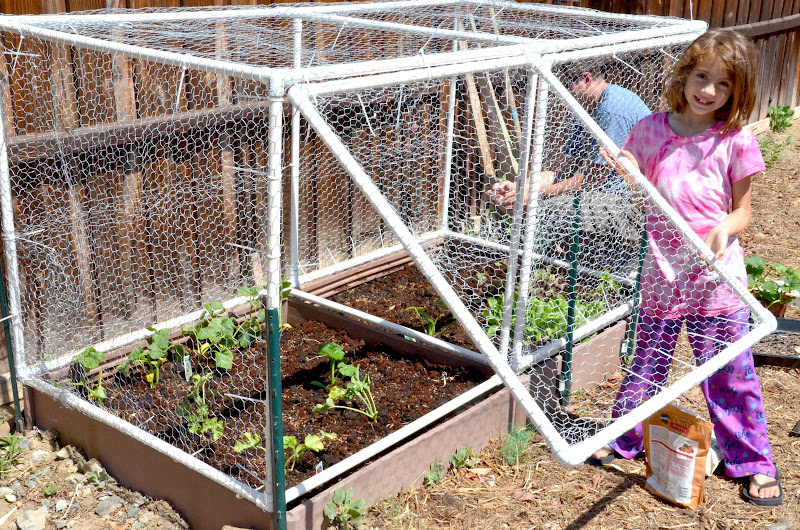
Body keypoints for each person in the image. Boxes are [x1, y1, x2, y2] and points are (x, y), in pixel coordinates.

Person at [591, 28, 783, 507]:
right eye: (702, 77)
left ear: (736, 93)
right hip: (663, 274)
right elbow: (637, 181)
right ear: (686, 74)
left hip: (716, 282)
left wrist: (724, 229)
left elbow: (744, 211)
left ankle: (752, 461)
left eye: (723, 85)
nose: (708, 91)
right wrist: (624, 165)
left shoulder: (734, 140)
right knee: (646, 366)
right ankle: (625, 439)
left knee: (730, 374)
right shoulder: (653, 129)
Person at [491, 63, 651, 273]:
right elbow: (563, 168)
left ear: (586, 78)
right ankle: (563, 271)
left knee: (552, 210)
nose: (563, 93)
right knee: (536, 205)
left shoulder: (612, 109)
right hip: (606, 192)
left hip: (634, 203)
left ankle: (565, 273)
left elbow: (593, 178)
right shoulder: (585, 109)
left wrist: (537, 195)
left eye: (566, 85)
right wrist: (521, 188)